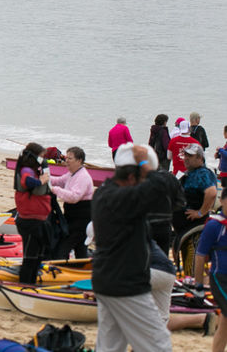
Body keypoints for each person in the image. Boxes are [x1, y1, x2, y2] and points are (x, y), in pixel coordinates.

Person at [91, 143, 173, 352]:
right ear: (130, 178)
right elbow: (161, 186)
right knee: (158, 345)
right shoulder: (123, 198)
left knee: (110, 346)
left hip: (106, 280)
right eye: (140, 180)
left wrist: (141, 166)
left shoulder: (104, 193)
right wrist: (145, 162)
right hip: (126, 284)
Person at [192, 189, 227, 352]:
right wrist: (198, 285)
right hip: (220, 278)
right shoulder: (214, 225)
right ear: (223, 201)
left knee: (225, 322)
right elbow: (200, 256)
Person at [13, 142, 52, 285]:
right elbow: (27, 182)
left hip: (39, 220)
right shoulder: (26, 170)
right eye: (42, 156)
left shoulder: (35, 170)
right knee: (30, 258)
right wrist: (41, 180)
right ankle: (24, 285)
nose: (43, 159)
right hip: (30, 222)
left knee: (38, 257)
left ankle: (32, 284)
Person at [49, 146, 94, 259]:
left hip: (81, 219)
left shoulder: (83, 176)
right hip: (72, 216)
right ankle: (81, 268)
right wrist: (45, 178)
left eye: (70, 158)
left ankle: (58, 268)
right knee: (80, 248)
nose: (66, 160)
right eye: (66, 157)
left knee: (63, 247)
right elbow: (58, 181)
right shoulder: (71, 173)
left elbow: (74, 197)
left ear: (79, 161)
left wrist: (54, 190)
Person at [174, 143, 217, 241]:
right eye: (185, 155)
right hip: (186, 229)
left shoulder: (202, 173)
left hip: (194, 230)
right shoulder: (191, 173)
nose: (186, 158)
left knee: (193, 256)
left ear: (200, 158)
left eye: (190, 156)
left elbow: (212, 192)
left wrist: (200, 213)